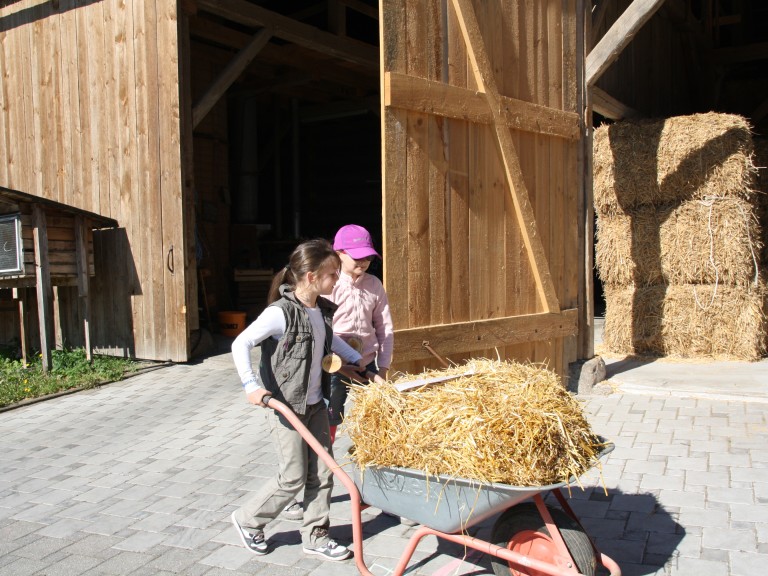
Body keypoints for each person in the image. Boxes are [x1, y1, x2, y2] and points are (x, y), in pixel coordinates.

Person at [229, 238, 363, 562]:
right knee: (292, 477)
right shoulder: (280, 313)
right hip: (286, 408)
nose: (337, 279)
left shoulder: (321, 311)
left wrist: (361, 363)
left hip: (315, 405)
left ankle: (316, 535)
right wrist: (251, 386)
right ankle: (248, 520)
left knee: (324, 472)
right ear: (312, 277)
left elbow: (330, 343)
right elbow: (240, 343)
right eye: (333, 274)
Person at [327, 224, 394, 443]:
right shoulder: (330, 285)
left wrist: (383, 366)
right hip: (335, 364)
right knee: (331, 412)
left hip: (367, 363)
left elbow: (384, 326)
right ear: (339, 254)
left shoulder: (374, 284)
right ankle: (326, 449)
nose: (363, 262)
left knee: (374, 409)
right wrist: (332, 360)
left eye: (368, 257)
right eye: (357, 256)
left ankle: (370, 449)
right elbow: (321, 328)